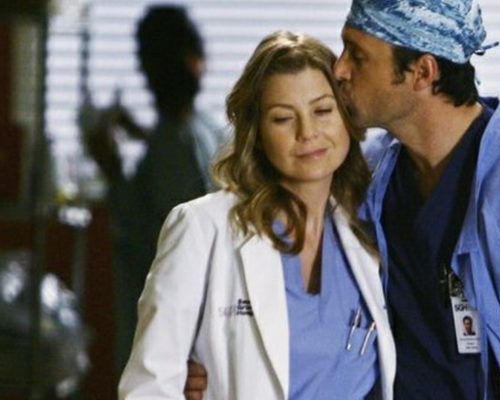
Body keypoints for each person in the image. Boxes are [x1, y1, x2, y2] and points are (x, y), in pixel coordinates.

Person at [185, 1, 500, 399]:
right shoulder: (368, 180)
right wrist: (218, 367)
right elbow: (310, 318)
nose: (339, 70)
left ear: (422, 72)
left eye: (357, 55)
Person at [118, 30, 396, 400]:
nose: (307, 132)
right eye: (283, 118)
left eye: (322, 111)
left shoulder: (368, 235)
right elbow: (148, 388)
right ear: (257, 132)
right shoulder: (202, 229)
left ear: (347, 117)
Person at [82, 5, 228, 376]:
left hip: (174, 323)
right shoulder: (200, 128)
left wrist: (113, 170)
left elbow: (155, 241)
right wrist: (141, 134)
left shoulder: (174, 142)